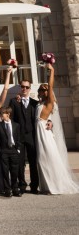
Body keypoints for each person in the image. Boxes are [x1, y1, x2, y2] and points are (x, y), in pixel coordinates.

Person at [35, 65, 79, 195]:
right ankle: (46, 186)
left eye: (45, 90)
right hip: (38, 131)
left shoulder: (49, 103)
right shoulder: (39, 103)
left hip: (44, 132)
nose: (43, 91)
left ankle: (55, 185)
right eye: (41, 90)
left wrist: (52, 71)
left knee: (48, 157)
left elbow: (51, 85)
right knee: (41, 159)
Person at [9, 75, 39, 194]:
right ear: (20, 88)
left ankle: (34, 185)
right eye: (22, 87)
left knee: (33, 161)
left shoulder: (35, 103)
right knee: (20, 163)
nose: (24, 89)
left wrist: (50, 122)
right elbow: (10, 119)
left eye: (27, 87)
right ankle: (21, 185)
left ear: (30, 88)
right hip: (19, 137)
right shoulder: (14, 101)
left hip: (31, 136)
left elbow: (42, 117)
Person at [0, 105, 23, 197]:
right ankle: (7, 189)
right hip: (4, 151)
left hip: (14, 150)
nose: (0, 115)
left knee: (14, 170)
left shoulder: (16, 125)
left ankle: (15, 188)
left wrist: (18, 149)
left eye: (2, 113)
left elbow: (19, 138)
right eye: (0, 113)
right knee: (5, 171)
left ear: (8, 114)